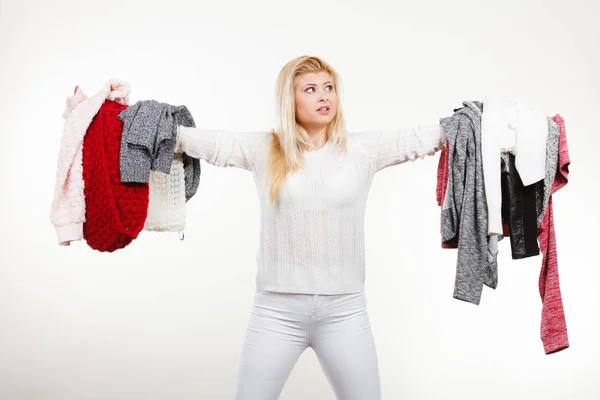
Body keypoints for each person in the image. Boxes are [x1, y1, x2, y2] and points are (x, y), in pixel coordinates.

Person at [175, 55, 445, 400]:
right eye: (311, 89)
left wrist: (486, 123)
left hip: (345, 310)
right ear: (291, 100)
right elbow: (200, 142)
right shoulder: (264, 149)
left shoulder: (362, 150)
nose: (324, 97)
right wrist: (125, 118)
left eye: (329, 88)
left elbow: (421, 139)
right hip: (276, 310)